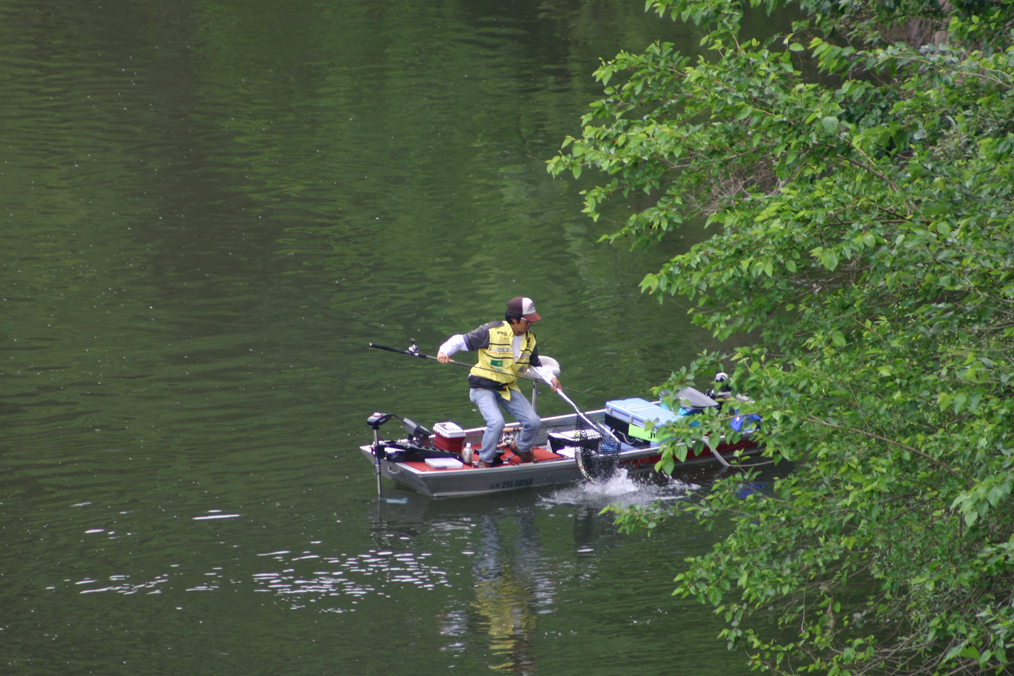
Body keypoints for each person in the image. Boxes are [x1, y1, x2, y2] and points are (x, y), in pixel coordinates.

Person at [437, 297, 562, 467]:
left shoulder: (530, 339)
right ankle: (485, 460)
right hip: (482, 386)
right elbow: (460, 340)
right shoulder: (491, 331)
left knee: (533, 422)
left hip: (507, 387)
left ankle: (520, 447)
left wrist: (551, 379)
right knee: (497, 423)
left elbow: (536, 365)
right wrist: (443, 352)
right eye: (527, 320)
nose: (530, 324)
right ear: (513, 320)